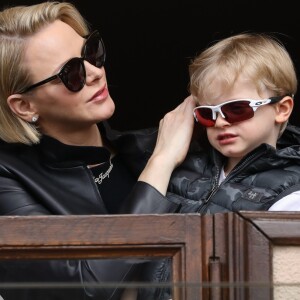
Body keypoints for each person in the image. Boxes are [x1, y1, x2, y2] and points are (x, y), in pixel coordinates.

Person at [0, 1, 195, 299]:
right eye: (71, 73)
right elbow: (84, 288)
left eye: (91, 52)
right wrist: (161, 163)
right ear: (25, 106)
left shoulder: (149, 145)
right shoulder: (9, 179)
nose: (94, 72)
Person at [165, 32, 300, 214]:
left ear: (282, 109)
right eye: (207, 113)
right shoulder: (182, 168)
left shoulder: (292, 196)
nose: (220, 122)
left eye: (236, 109)